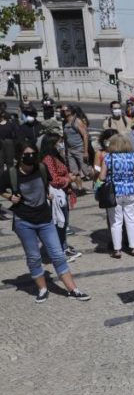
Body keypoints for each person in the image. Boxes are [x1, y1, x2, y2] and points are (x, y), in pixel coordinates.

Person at [0, 141, 90, 303]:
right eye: (27, 155)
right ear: (19, 156)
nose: (30, 157)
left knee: (57, 254)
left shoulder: (41, 168)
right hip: (24, 221)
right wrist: (9, 197)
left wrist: (47, 194)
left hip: (45, 220)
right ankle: (42, 289)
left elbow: (47, 182)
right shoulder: (11, 174)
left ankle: (73, 289)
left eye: (33, 154)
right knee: (33, 257)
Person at [98, 133, 134, 259]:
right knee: (131, 219)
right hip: (131, 191)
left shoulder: (109, 158)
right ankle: (133, 247)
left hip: (115, 192)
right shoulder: (133, 156)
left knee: (116, 222)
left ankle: (117, 250)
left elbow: (101, 176)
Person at [40, 133, 82, 262]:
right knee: (59, 223)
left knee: (63, 223)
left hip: (63, 193)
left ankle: (63, 247)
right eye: (59, 142)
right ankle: (59, 251)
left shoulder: (56, 156)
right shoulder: (48, 159)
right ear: (52, 144)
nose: (61, 144)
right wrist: (69, 178)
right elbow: (54, 180)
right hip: (56, 195)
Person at [61, 104, 89, 195]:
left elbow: (85, 136)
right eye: (62, 111)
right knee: (74, 171)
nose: (63, 112)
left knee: (86, 171)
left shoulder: (77, 121)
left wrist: (85, 151)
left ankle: (98, 179)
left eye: (65, 110)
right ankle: (80, 189)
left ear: (70, 111)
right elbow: (65, 137)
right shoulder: (64, 122)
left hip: (79, 149)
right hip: (70, 150)